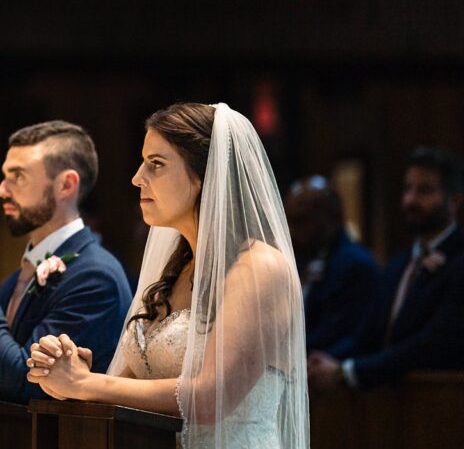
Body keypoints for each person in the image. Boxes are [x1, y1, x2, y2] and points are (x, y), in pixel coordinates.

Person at [26, 103, 308, 449]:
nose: (136, 177)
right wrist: (76, 371)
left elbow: (210, 396)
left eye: (156, 164)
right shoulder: (174, 269)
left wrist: (86, 384)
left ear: (205, 175)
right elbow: (135, 388)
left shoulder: (260, 268)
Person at [0, 120, 132, 403]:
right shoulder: (20, 276)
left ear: (65, 185)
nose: (1, 190)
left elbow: (27, 384)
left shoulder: (95, 277)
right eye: (4, 177)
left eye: (18, 177)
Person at [308, 146, 464, 390]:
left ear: (454, 200)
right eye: (407, 189)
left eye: (424, 190)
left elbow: (430, 345)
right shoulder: (398, 266)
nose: (410, 200)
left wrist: (346, 372)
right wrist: (323, 361)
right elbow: (366, 337)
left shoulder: (458, 261)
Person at [284, 176, 379, 353]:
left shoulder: (355, 265)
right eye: (288, 221)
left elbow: (337, 333)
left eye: (301, 221)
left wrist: (280, 354)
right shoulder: (302, 258)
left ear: (333, 219)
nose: (291, 231)